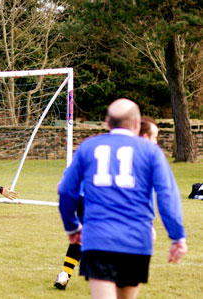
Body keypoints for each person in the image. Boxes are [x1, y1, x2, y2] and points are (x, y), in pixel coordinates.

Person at [58, 98, 187, 299]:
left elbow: (66, 190)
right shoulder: (152, 151)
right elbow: (167, 195)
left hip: (98, 238)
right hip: (136, 240)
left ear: (108, 122)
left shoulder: (88, 147)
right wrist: (177, 236)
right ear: (137, 124)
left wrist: (72, 227)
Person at [53, 115, 161, 290]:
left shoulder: (101, 145)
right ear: (144, 136)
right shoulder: (142, 157)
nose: (156, 143)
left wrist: (65, 182)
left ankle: (66, 273)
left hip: (85, 198)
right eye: (154, 137)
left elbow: (77, 167)